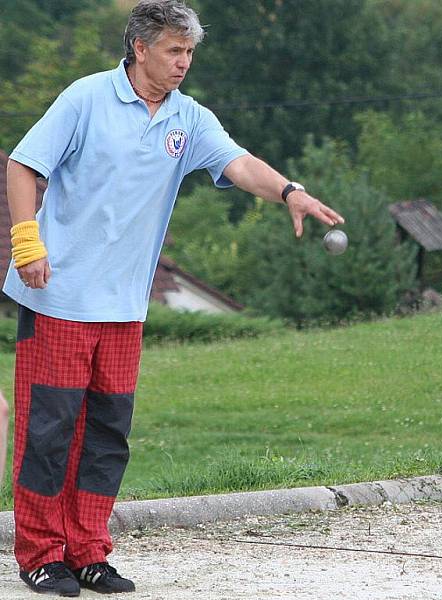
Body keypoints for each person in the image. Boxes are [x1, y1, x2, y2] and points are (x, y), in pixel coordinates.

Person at [4, 0, 344, 595]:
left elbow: (238, 164)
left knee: (108, 432)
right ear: (140, 48)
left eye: (189, 52)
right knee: (49, 431)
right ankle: (39, 553)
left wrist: (289, 190)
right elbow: (22, 166)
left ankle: (88, 551)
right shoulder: (85, 98)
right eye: (174, 51)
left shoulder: (188, 116)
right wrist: (26, 241)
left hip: (125, 306)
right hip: (58, 296)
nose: (184, 62)